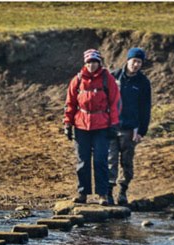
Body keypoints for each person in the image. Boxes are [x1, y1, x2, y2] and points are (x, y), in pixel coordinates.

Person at [63, 49, 121, 205]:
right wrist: (67, 124)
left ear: (99, 63)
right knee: (82, 161)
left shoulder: (107, 79)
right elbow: (70, 103)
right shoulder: (77, 80)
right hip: (81, 125)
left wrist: (114, 124)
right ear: (85, 63)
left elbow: (115, 103)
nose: (91, 65)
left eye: (94, 62)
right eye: (88, 62)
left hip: (102, 125)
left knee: (100, 161)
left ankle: (103, 194)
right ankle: (83, 193)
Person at [108, 47, 152, 205]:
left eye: (139, 62)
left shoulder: (143, 83)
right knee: (110, 160)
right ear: (127, 60)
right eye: (134, 61)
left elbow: (145, 108)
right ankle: (108, 193)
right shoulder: (113, 77)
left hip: (130, 129)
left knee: (126, 161)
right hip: (111, 126)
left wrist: (142, 131)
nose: (136, 65)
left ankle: (122, 192)